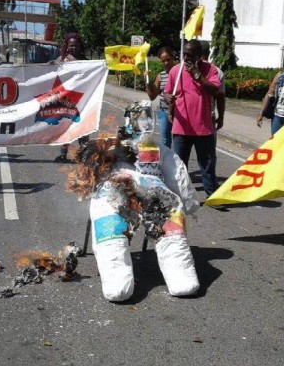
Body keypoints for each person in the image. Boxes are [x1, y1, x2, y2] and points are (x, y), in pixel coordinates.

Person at [69, 101, 200, 301]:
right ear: (130, 119)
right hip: (116, 193)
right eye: (141, 118)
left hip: (155, 196)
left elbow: (178, 175)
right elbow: (179, 178)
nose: (146, 123)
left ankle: (181, 276)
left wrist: (187, 203)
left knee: (171, 228)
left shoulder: (158, 150)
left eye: (149, 118)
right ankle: (117, 280)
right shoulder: (111, 144)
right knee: (111, 230)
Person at [164, 40, 221, 198]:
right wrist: (168, 98)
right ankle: (179, 196)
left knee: (207, 165)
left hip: (203, 128)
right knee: (180, 165)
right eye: (184, 54)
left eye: (190, 55)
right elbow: (167, 92)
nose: (186, 58)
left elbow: (215, 90)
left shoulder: (210, 69)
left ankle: (212, 195)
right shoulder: (176, 70)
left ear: (199, 56)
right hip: (182, 127)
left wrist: (197, 75)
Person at [54, 33, 89, 163]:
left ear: (80, 46)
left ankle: (85, 153)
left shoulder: (86, 61)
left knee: (83, 126)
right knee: (66, 126)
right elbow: (52, 70)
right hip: (66, 99)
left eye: (76, 45)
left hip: (82, 98)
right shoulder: (62, 59)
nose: (73, 48)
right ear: (67, 46)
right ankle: (63, 154)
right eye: (71, 45)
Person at [145, 46, 176, 148]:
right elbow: (152, 96)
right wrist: (147, 81)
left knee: (179, 142)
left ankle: (178, 162)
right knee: (165, 141)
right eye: (163, 61)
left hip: (179, 112)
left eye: (168, 60)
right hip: (163, 111)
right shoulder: (161, 76)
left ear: (173, 58)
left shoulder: (180, 73)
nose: (166, 63)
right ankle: (166, 162)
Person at [199, 41, 226, 134]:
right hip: (209, 115)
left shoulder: (187, 68)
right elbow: (220, 97)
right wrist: (221, 117)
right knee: (207, 147)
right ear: (209, 53)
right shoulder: (218, 71)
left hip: (190, 115)